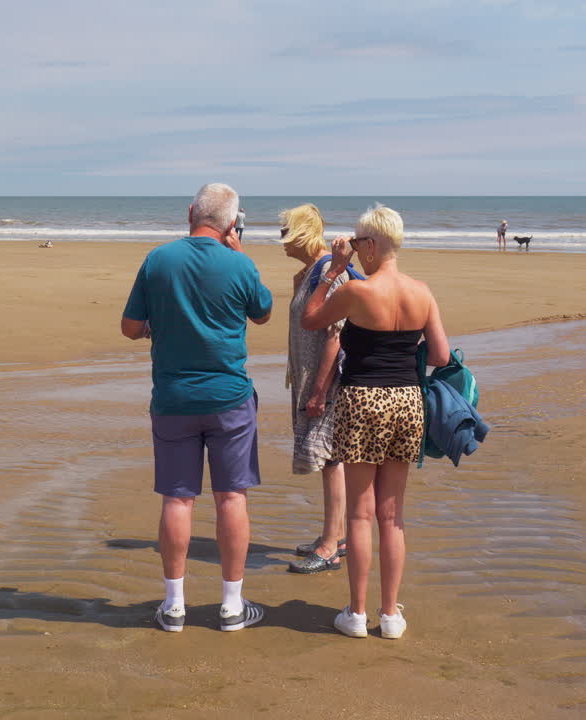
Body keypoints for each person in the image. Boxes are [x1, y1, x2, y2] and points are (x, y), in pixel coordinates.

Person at [121, 183, 273, 632]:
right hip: (228, 397)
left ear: (190, 212)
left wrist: (157, 327)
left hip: (173, 398)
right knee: (231, 497)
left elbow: (130, 326)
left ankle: (174, 604)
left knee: (178, 499)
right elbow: (262, 312)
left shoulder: (158, 260)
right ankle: (230, 604)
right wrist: (240, 253)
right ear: (232, 223)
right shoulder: (238, 263)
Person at [302, 204, 449, 639]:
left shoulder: (358, 292)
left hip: (363, 399)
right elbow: (440, 355)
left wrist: (334, 271)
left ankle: (356, 613)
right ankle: (390, 616)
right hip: (406, 399)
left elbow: (311, 318)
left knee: (361, 516)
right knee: (393, 515)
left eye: (358, 242)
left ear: (370, 244)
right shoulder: (421, 292)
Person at [279, 203, 348, 574]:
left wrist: (320, 389)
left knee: (330, 460)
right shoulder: (310, 273)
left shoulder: (329, 272)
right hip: (308, 378)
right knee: (327, 460)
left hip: (326, 382)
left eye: (285, 233)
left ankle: (329, 547)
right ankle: (334, 534)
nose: (281, 241)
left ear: (301, 233)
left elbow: (336, 338)